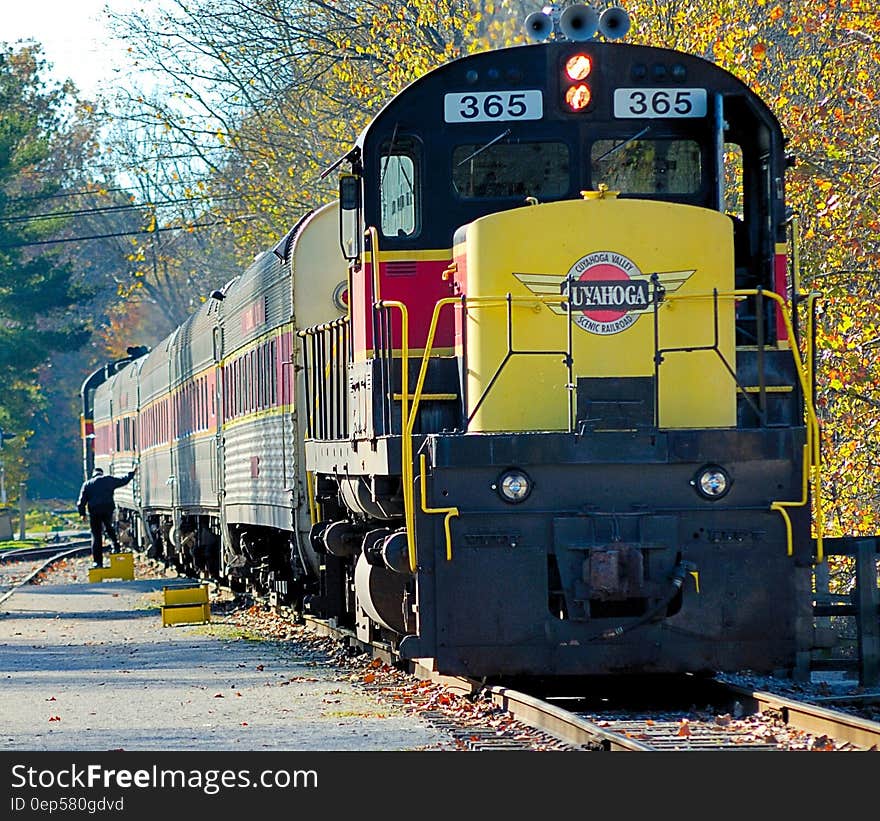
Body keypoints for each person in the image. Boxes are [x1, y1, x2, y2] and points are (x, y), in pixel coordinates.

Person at [76, 466, 136, 568]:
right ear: (101, 473)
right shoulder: (108, 480)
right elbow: (123, 480)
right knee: (109, 528)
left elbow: (80, 502)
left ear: (93, 474)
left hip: (94, 512)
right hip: (107, 510)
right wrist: (132, 473)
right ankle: (116, 547)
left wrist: (82, 514)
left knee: (96, 536)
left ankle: (98, 562)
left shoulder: (87, 484)